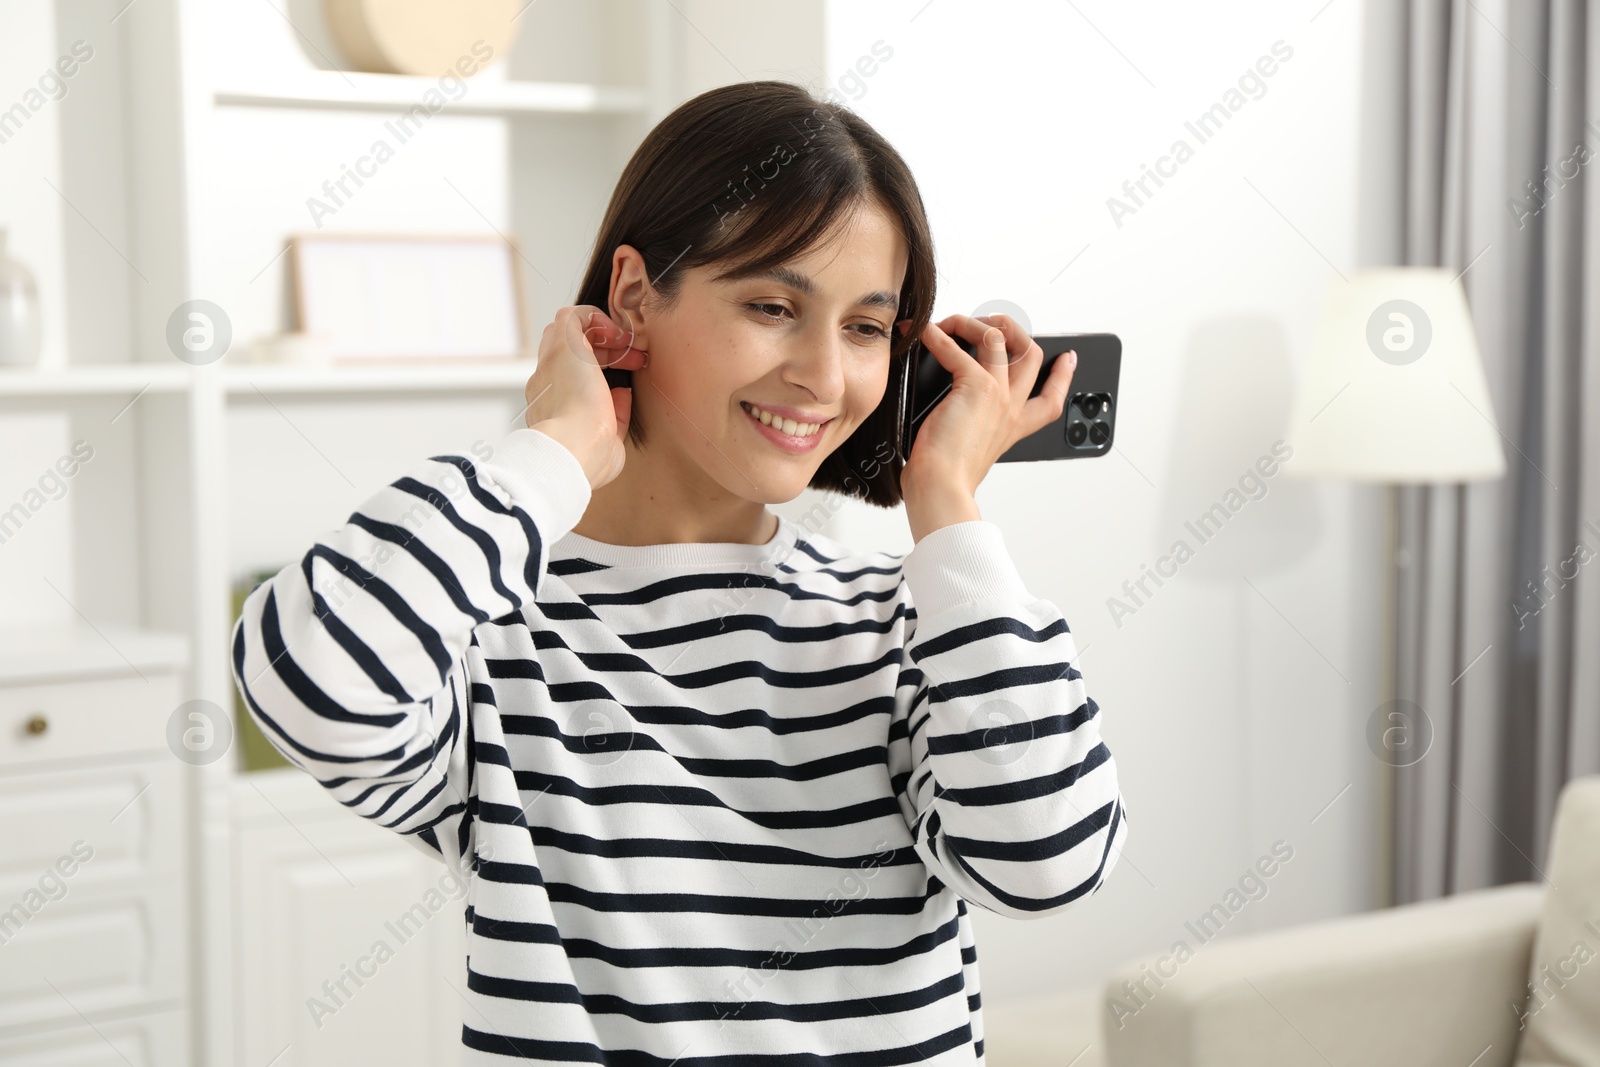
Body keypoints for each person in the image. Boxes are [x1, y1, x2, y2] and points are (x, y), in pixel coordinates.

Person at [231, 78, 1127, 1065]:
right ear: (631, 294)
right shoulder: (494, 634)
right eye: (774, 305)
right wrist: (557, 447)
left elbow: (1044, 860)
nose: (825, 379)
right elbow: (311, 682)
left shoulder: (914, 622)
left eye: (867, 328)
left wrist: (948, 507)